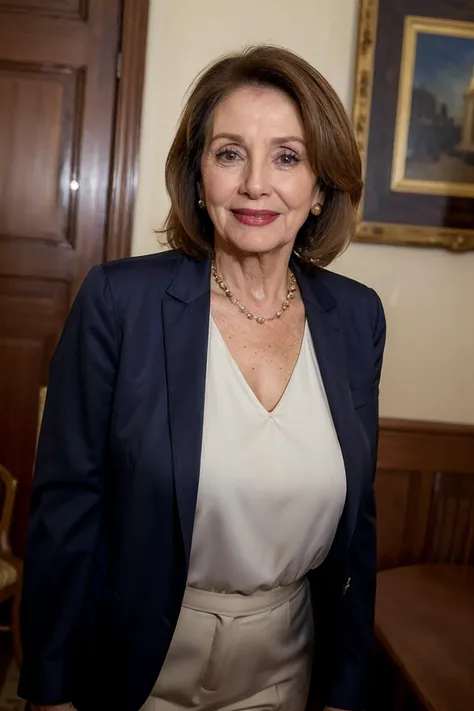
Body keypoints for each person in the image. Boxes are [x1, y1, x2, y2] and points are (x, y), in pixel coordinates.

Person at [18, 45, 386, 711]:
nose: (254, 184)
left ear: (320, 186)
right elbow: (66, 510)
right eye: (228, 153)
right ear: (197, 176)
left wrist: (344, 689)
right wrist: (50, 690)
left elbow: (357, 524)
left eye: (286, 156)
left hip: (288, 671)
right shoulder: (118, 302)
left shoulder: (358, 317)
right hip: (134, 669)